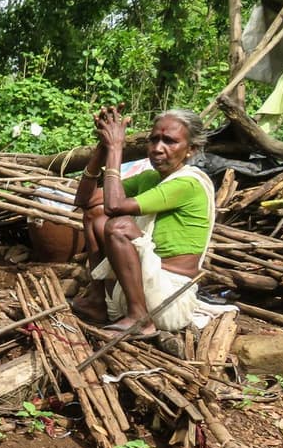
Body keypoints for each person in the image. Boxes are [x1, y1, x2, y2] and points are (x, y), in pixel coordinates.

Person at [71, 106, 215, 337]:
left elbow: (114, 206)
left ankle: (140, 319)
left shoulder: (188, 184)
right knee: (94, 216)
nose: (158, 149)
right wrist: (103, 147)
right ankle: (97, 301)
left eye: (169, 141)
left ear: (191, 149)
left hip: (167, 299)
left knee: (118, 226)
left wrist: (117, 148)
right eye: (154, 140)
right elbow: (84, 200)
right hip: (134, 289)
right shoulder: (149, 178)